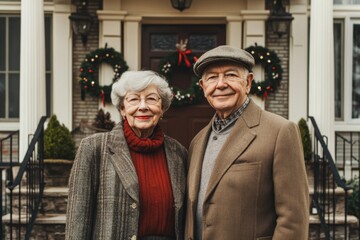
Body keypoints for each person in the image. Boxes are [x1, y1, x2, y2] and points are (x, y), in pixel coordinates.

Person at [184, 45, 309, 240]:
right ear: (203, 87)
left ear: (248, 82)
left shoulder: (280, 132)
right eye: (212, 78)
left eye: (231, 75)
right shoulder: (197, 142)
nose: (221, 84)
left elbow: (293, 220)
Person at [65, 70, 187, 240]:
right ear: (122, 109)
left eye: (151, 99)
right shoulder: (94, 148)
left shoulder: (179, 153)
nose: (143, 106)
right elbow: (77, 220)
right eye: (134, 99)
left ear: (162, 108)